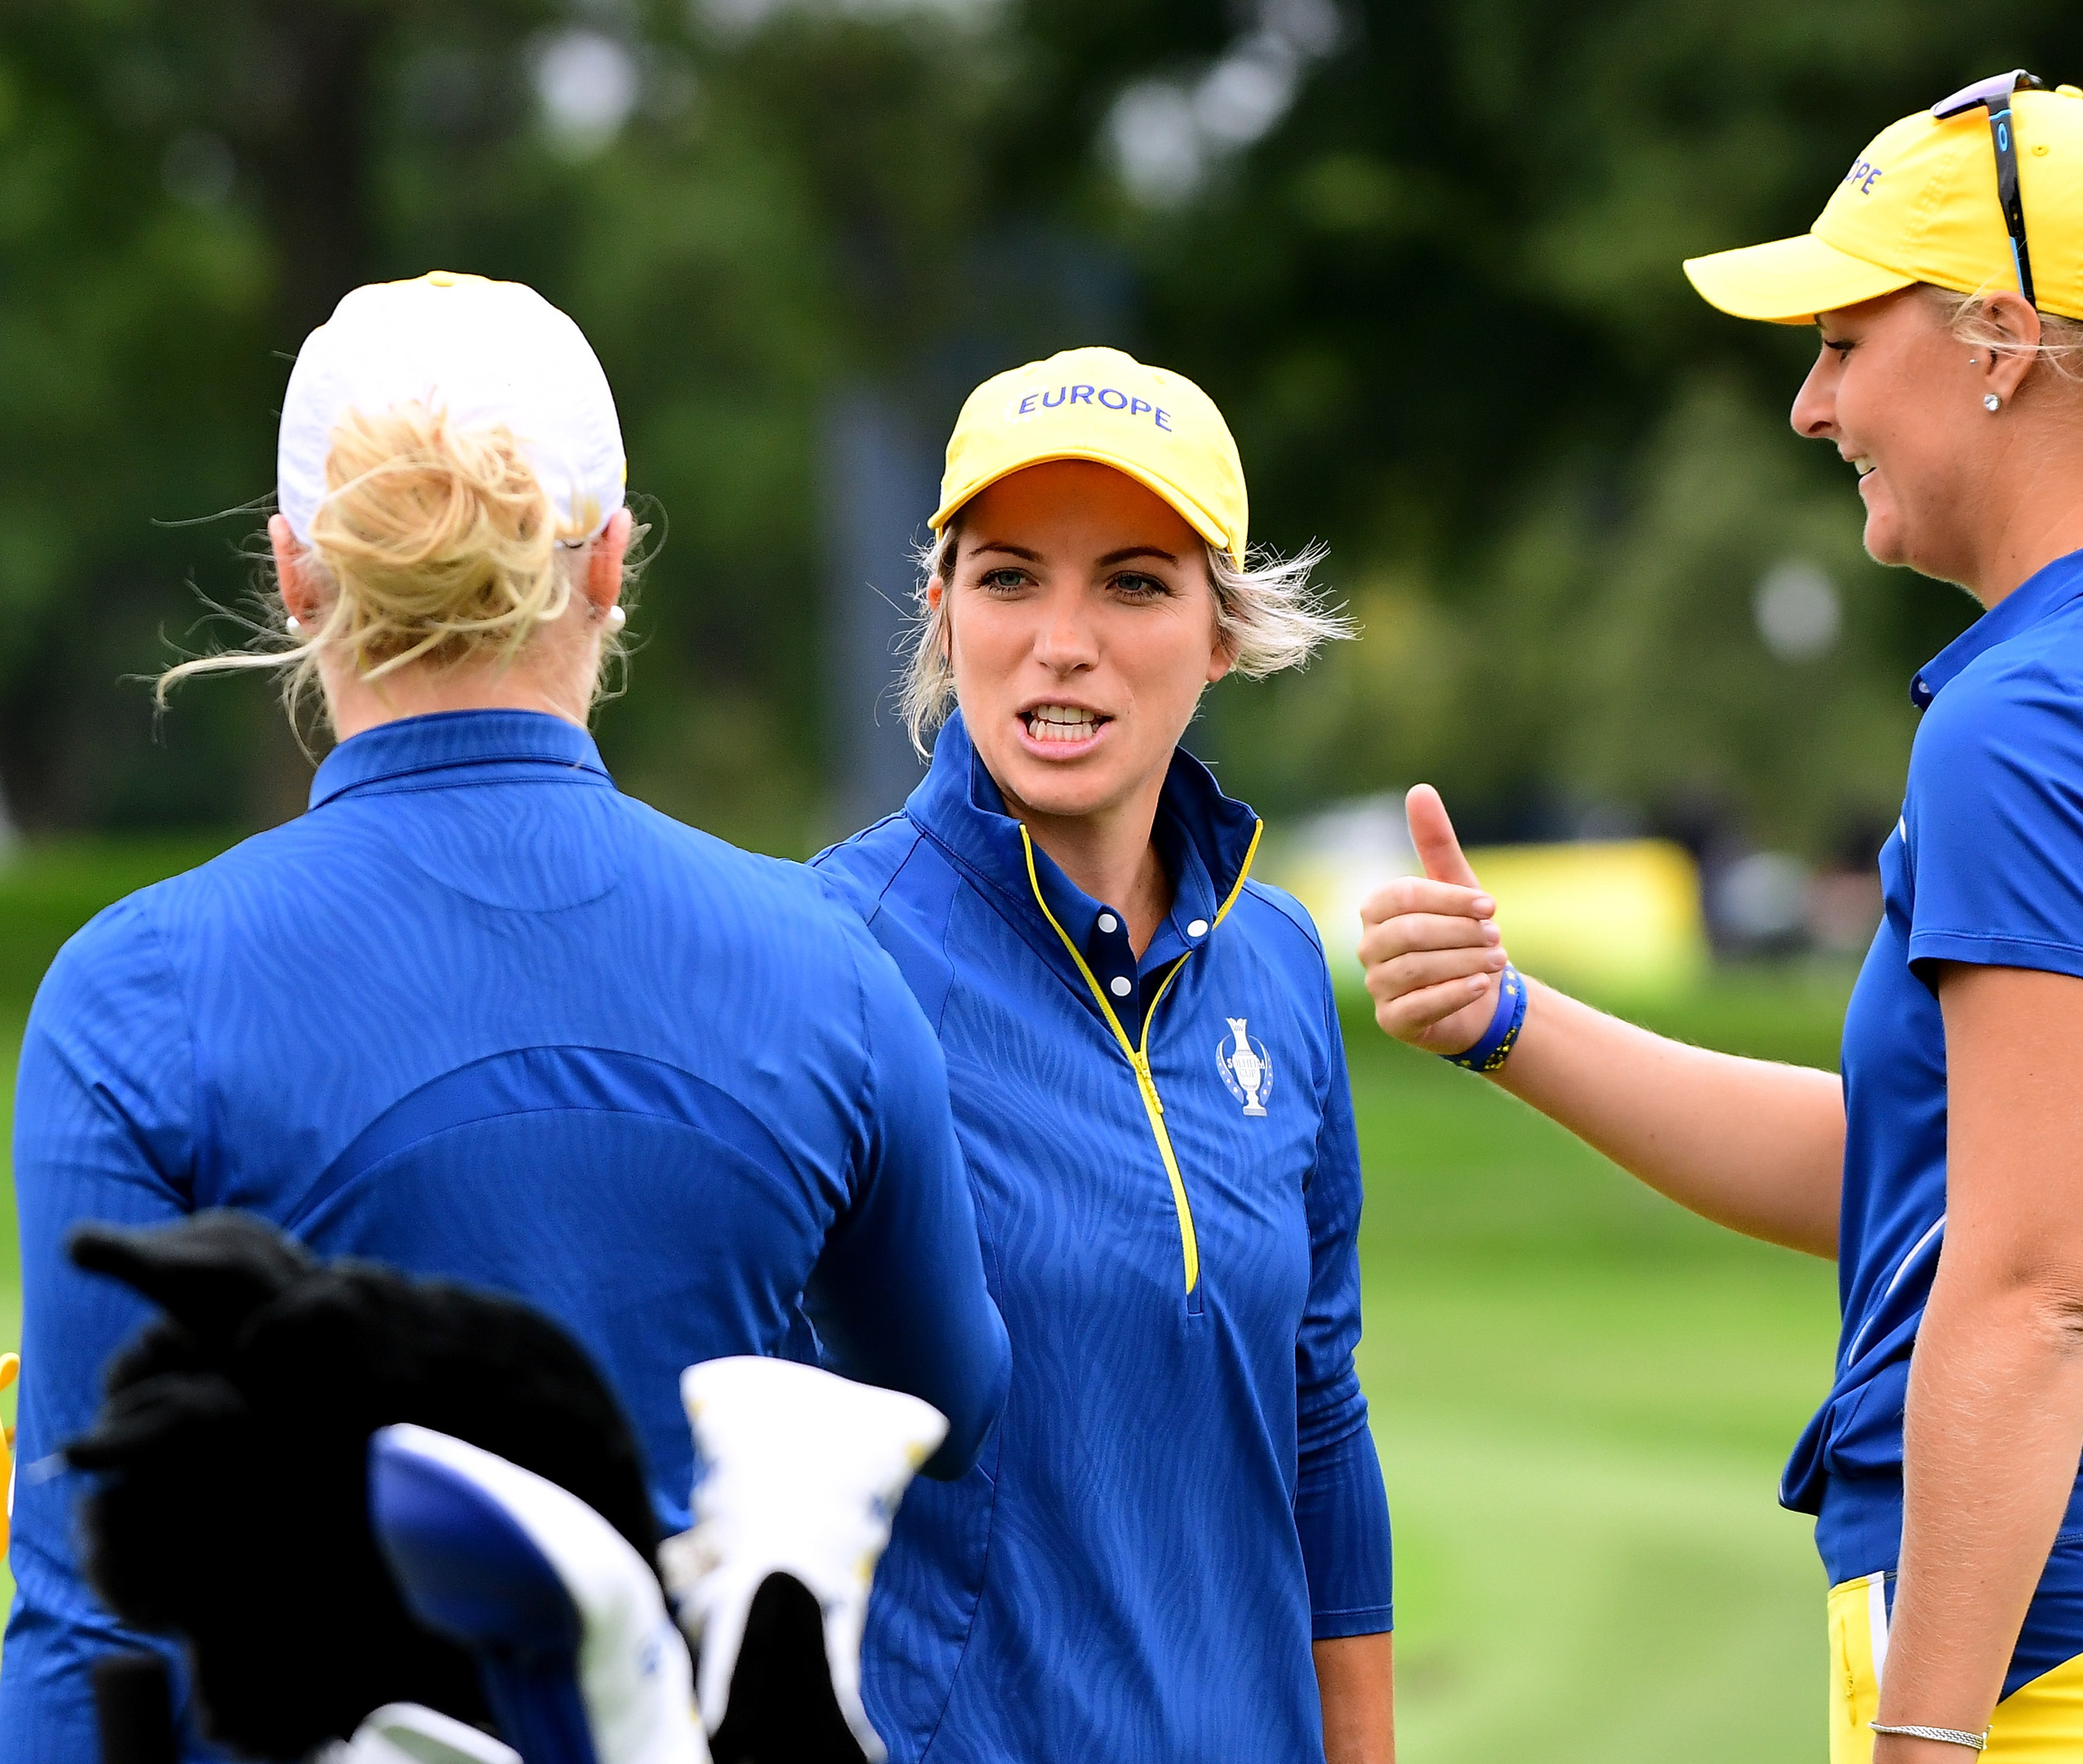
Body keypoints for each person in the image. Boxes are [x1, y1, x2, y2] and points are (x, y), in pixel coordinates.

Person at [1359, 76, 2083, 1762]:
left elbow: (2027, 1292)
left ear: (1998, 340)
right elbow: (1924, 1178)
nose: (1808, 405)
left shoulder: (2036, 718)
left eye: (1841, 342)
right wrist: (1512, 1018)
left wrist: (1923, 1737)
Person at [4, 271, 1009, 1763]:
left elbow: (91, 1628)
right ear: (610, 564)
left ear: (291, 569)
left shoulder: (133, 989)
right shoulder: (828, 970)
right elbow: (950, 1404)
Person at [811, 346, 1391, 1763]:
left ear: (1224, 632)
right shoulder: (821, 957)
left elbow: (1318, 1416)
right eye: (1010, 578)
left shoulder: (1279, 966)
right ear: (942, 613)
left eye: (1134, 582)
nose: (1061, 641)